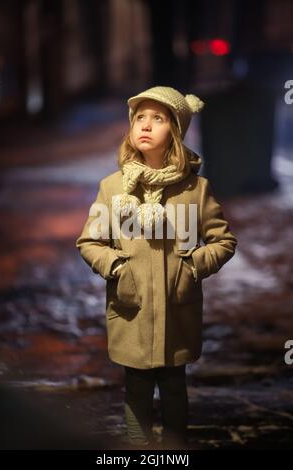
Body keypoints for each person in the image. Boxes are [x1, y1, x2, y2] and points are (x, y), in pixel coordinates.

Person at [75, 86, 237, 449]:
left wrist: (192, 266)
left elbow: (223, 241)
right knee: (136, 388)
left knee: (175, 387)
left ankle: (176, 449)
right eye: (139, 118)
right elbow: (89, 242)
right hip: (131, 307)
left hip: (176, 307)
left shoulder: (195, 190)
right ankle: (138, 449)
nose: (146, 125)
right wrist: (116, 267)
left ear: (175, 133)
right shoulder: (113, 189)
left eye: (158, 118)